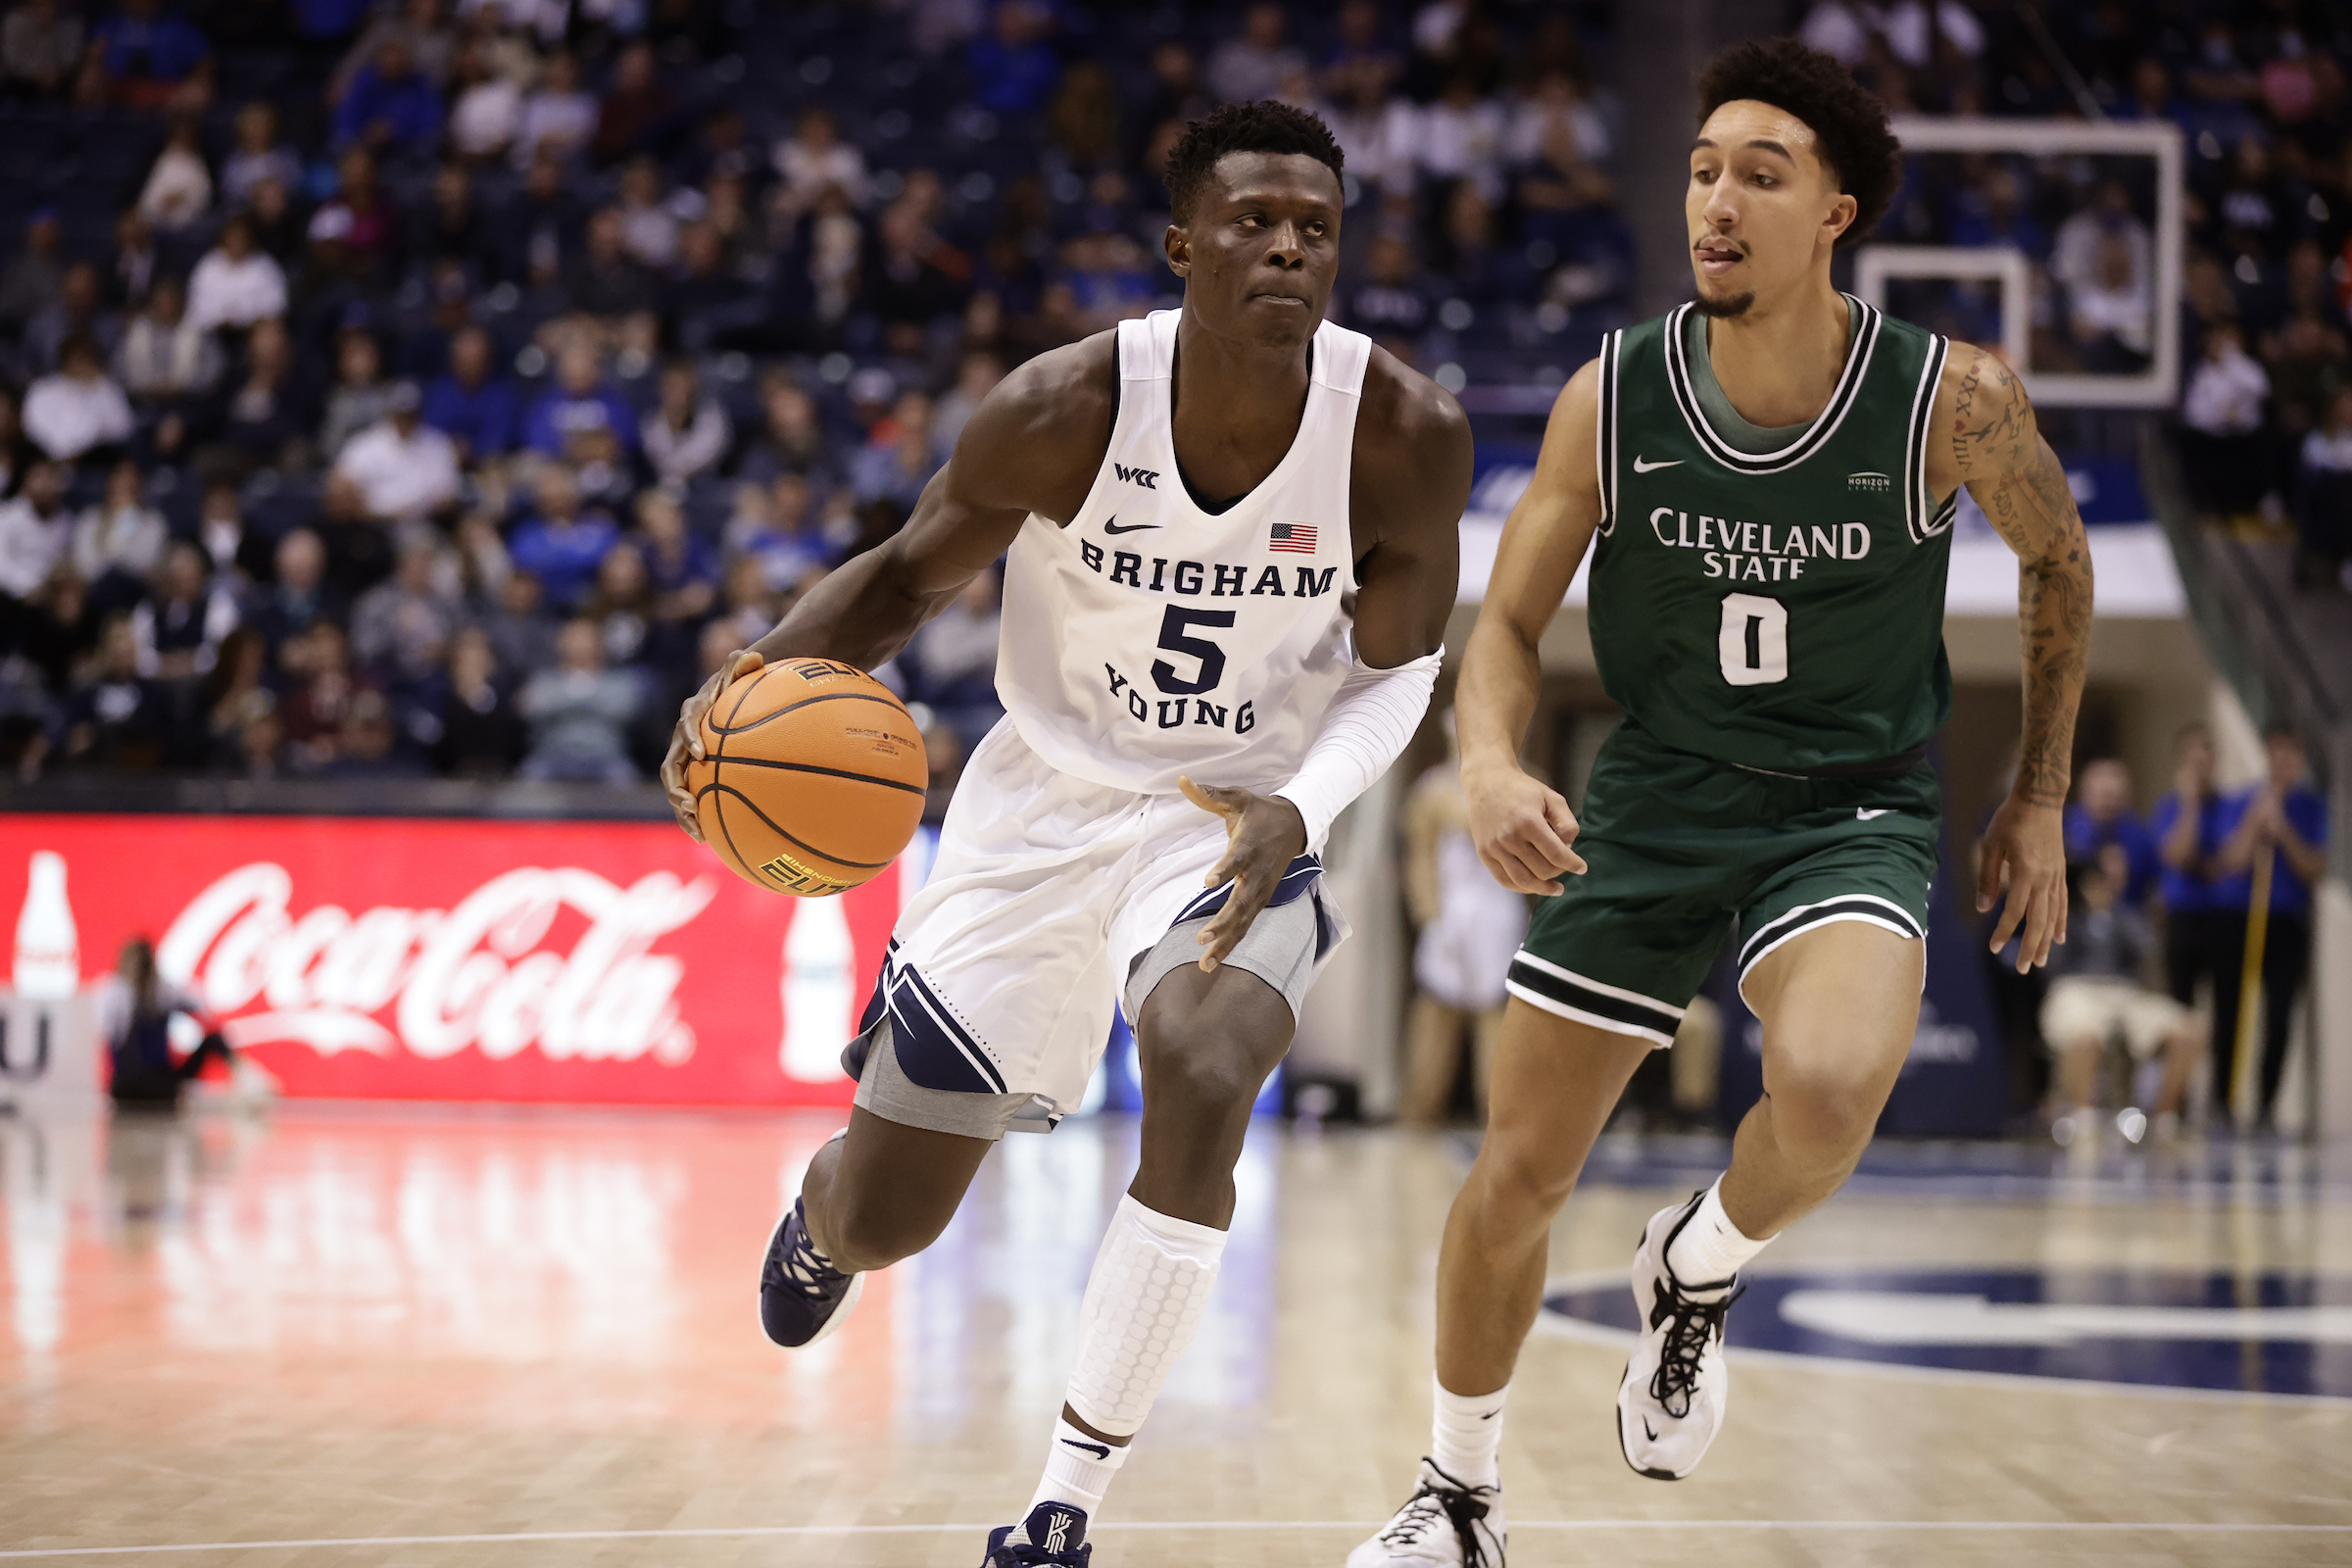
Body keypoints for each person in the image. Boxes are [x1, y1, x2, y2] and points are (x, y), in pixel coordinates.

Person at [660, 101, 1466, 1568]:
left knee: (1210, 1064)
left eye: (1316, 227)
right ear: (1181, 246)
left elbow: (1401, 669)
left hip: (1231, 814)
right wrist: (743, 687)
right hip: (1039, 806)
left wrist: (1310, 802)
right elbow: (905, 582)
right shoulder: (1065, 407)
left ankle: (1062, 1504)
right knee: (894, 1218)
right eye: (1252, 221)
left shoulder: (1402, 433)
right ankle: (824, 1223)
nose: (1288, 245)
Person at [1352, 41, 2091, 1565]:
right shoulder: (1612, 395)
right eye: (1702, 168)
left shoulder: (1951, 401)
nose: (1718, 198)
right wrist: (1488, 763)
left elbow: (2061, 560)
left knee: (1826, 1088)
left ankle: (1700, 1262)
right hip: (1660, 787)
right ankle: (1456, 1497)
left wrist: (2038, 798)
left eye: (1762, 173)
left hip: (1853, 800)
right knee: (1519, 1173)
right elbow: (1498, 629)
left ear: (1836, 214)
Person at [1398, 723, 1527, 1123]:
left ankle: (1497, 1124)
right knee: (1436, 1017)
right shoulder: (1431, 790)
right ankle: (1417, 1120)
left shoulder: (1528, 781)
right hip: (1450, 916)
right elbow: (1419, 859)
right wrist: (1430, 919)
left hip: (1500, 915)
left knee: (1496, 1021)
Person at [2207, 726, 2328, 1132]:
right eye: (2278, 751)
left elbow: (2314, 868)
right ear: (2267, 753)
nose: (2285, 760)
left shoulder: (2311, 807)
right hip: (2236, 917)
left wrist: (2283, 831)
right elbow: (2232, 861)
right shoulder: (2239, 801)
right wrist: (2255, 824)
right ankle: (2221, 1104)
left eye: (2293, 753)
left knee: (2278, 1019)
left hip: (2286, 922)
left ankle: (2265, 1108)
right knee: (2229, 1013)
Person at [2041, 846, 2201, 1146]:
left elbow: (2148, 950)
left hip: (2125, 992)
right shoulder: (2064, 913)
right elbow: (2049, 964)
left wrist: (2110, 911)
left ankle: (2163, 1121)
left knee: (2187, 1033)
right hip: (2076, 988)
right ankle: (2084, 1120)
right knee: (2084, 1035)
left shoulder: (2126, 916)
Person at [95, 936, 238, 1106]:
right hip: (135, 1084)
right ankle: (243, 1079)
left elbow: (201, 1009)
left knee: (212, 1040)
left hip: (152, 1082)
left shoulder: (161, 992)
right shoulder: (118, 993)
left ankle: (244, 1078)